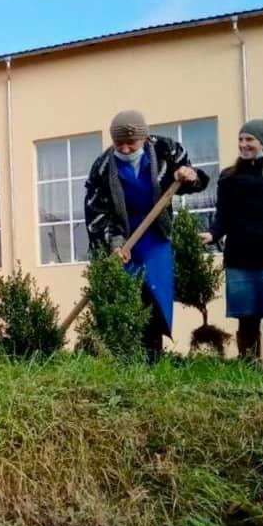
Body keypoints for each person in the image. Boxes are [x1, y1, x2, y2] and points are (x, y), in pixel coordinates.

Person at [84, 109, 208, 360]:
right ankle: (126, 360)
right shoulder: (103, 166)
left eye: (132, 143)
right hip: (123, 241)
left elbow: (196, 181)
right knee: (126, 298)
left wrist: (189, 175)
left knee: (155, 297)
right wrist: (113, 244)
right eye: (120, 144)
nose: (126, 149)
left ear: (144, 137)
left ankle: (153, 357)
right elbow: (95, 213)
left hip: (155, 238)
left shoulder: (166, 150)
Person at [199, 120, 263, 365]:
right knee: (246, 318)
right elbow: (222, 216)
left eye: (250, 139)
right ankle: (248, 369)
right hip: (239, 259)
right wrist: (213, 234)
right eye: (241, 139)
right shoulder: (229, 177)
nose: (244, 144)